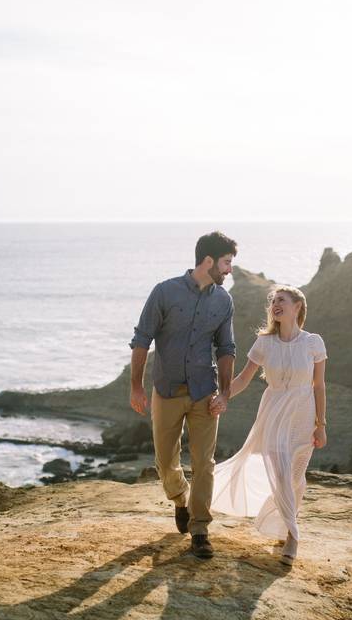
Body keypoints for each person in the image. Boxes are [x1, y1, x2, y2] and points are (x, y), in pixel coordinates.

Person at [128, 231, 237, 559]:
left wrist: (226, 394)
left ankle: (200, 529)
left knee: (204, 463)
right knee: (165, 461)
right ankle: (180, 498)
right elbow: (142, 339)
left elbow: (226, 348)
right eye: (227, 263)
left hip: (206, 393)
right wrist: (136, 386)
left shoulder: (224, 301)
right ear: (208, 261)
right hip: (167, 390)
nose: (229, 269)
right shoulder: (165, 292)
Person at [210, 285, 328, 566]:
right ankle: (293, 537)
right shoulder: (264, 343)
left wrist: (320, 424)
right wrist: (222, 397)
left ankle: (287, 522)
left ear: (297, 306)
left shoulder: (313, 342)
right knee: (281, 471)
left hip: (303, 413)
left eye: (282, 300)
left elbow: (319, 385)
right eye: (273, 301)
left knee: (296, 476)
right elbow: (243, 378)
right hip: (274, 412)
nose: (276, 305)